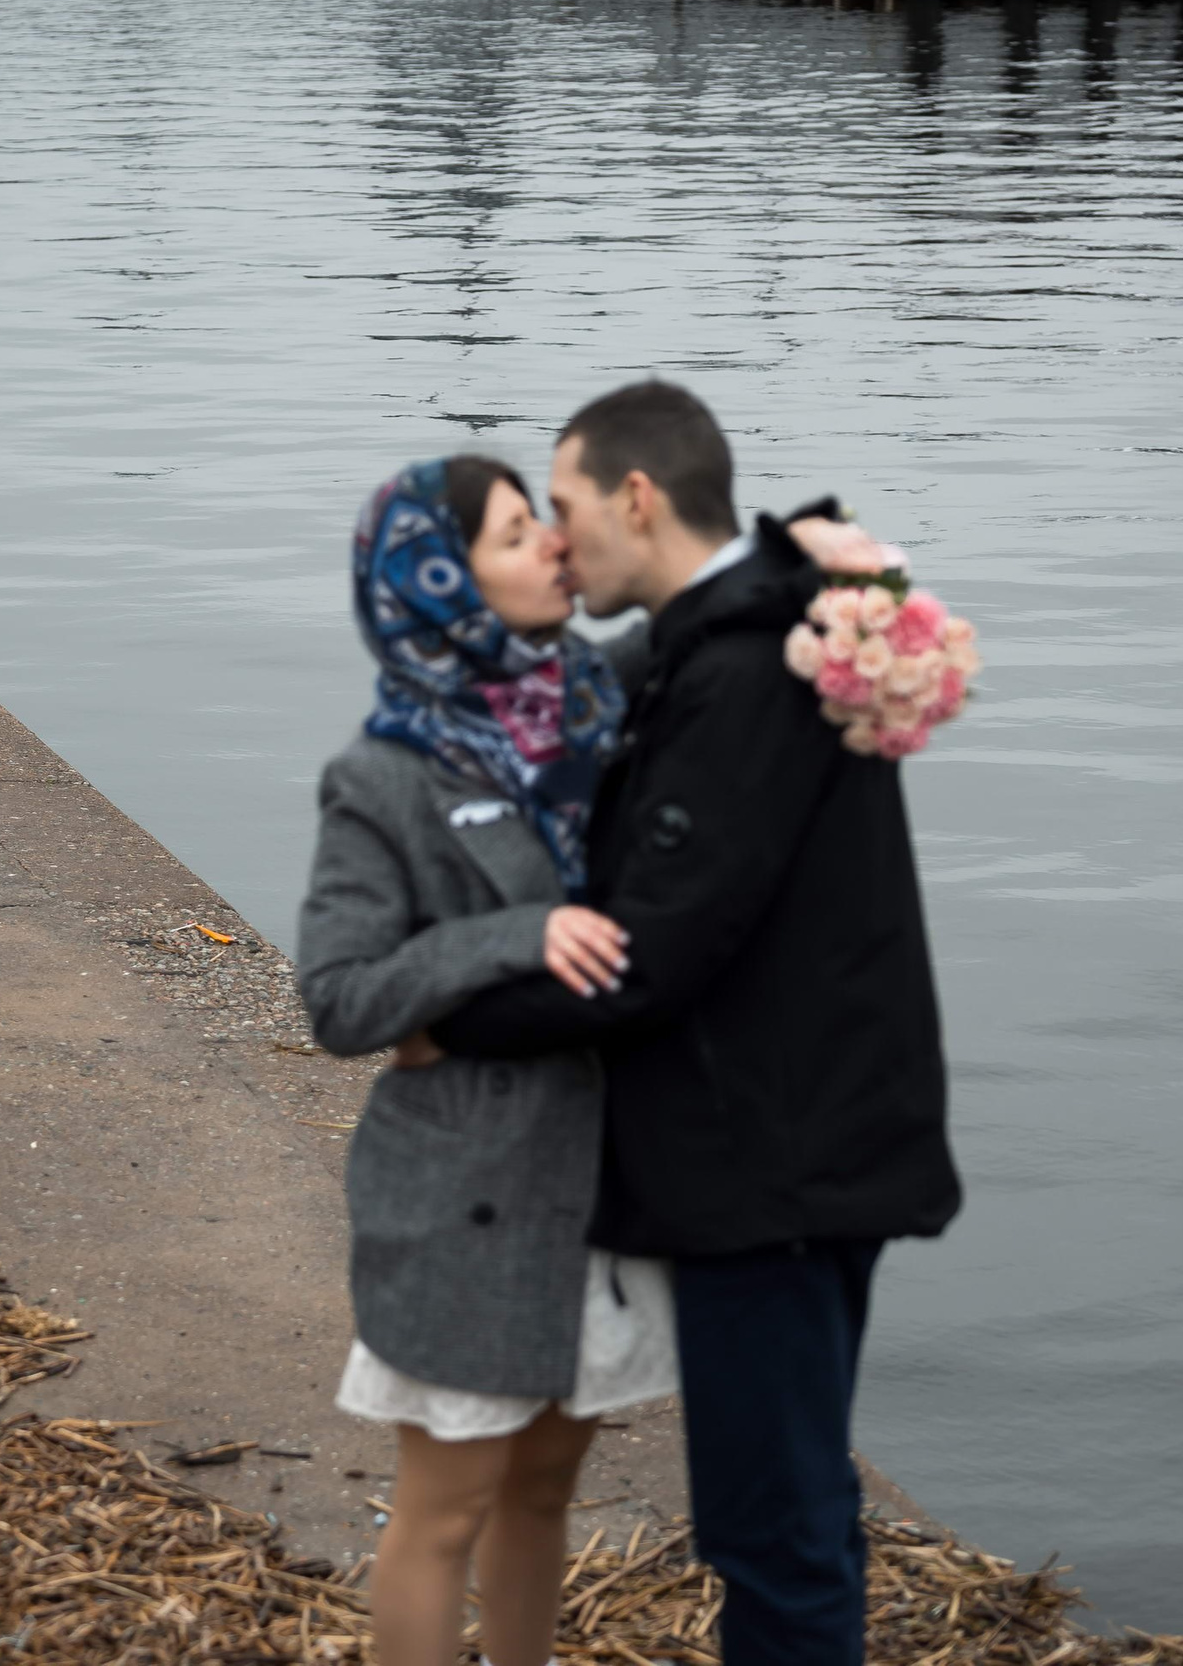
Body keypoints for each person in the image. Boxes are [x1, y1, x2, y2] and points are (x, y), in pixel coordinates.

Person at [426, 381, 964, 1666]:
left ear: (637, 497)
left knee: (770, 1526)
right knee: (791, 1509)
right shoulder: (740, 633)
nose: (556, 544)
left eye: (563, 511)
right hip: (803, 1139)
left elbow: (651, 954)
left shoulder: (742, 678)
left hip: (772, 1167)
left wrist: (449, 1012)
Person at [297, 454, 672, 1666]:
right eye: (518, 535)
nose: (555, 548)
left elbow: (698, 614)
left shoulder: (590, 704)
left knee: (547, 1493)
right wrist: (518, 934)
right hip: (463, 1197)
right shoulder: (382, 774)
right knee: (445, 1505)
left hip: (596, 1180)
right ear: (440, 583)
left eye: (545, 524)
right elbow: (341, 996)